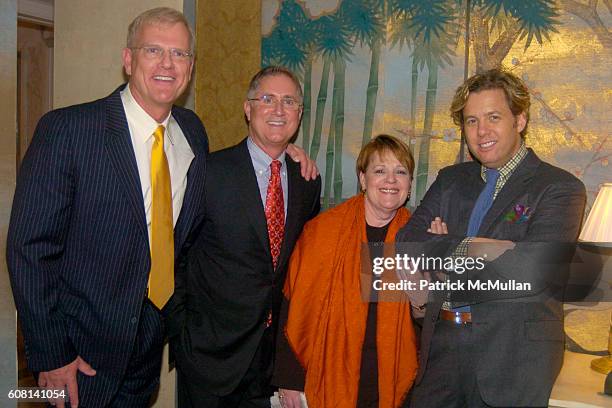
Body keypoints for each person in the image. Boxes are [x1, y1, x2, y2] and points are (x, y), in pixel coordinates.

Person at [7, 7, 207, 407]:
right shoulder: (68, 130)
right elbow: (29, 249)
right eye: (153, 50)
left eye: (180, 54)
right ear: (129, 59)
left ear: (190, 67)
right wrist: (51, 353)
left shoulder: (192, 132)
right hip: (80, 357)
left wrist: (281, 154)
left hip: (148, 346)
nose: (168, 64)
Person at [396, 69, 586, 407]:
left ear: (520, 119)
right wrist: (487, 251)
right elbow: (407, 243)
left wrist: (443, 249)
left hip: (513, 361)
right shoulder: (450, 180)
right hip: (442, 349)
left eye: (493, 117)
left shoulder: (559, 188)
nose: (481, 131)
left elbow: (530, 273)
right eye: (471, 121)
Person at [170, 66, 322, 408]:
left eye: (289, 101)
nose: (278, 110)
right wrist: (182, 333)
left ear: (299, 113)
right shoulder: (207, 172)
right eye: (267, 99)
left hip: (270, 362)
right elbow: (174, 253)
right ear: (247, 108)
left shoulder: (307, 181)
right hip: (210, 357)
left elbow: (300, 265)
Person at [274, 135, 419, 408]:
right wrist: (289, 380)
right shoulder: (323, 232)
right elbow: (293, 307)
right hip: (329, 371)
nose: (391, 180)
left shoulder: (415, 237)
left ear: (409, 184)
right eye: (380, 171)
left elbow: (424, 323)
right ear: (363, 179)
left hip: (394, 377)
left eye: (400, 172)